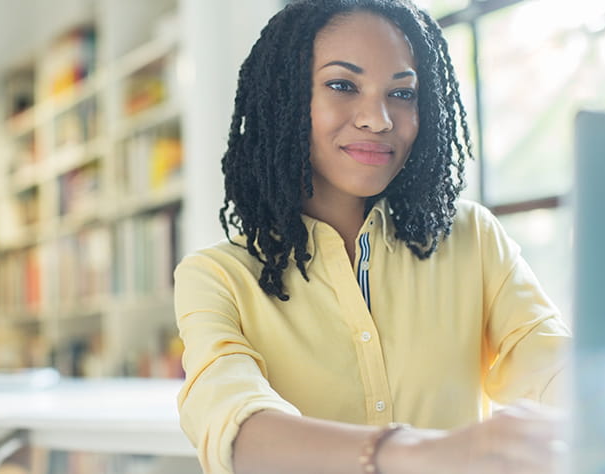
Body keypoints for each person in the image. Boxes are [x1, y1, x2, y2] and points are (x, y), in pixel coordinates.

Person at [173, 0, 572, 473]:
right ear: (285, 100)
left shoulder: (473, 238)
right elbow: (236, 431)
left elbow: (553, 367)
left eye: (402, 94)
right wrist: (419, 453)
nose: (379, 119)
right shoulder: (217, 277)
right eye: (342, 85)